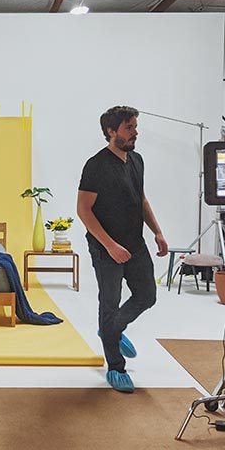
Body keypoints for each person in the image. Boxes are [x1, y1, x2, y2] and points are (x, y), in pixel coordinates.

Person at [77, 105, 168, 393]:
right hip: (106, 248)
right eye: (129, 127)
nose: (135, 132)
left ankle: (111, 330)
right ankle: (116, 367)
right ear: (111, 131)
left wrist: (157, 231)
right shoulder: (96, 166)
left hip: (135, 243)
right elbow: (83, 211)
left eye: (134, 127)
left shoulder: (137, 160)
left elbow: (141, 200)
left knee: (147, 296)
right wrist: (110, 246)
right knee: (110, 302)